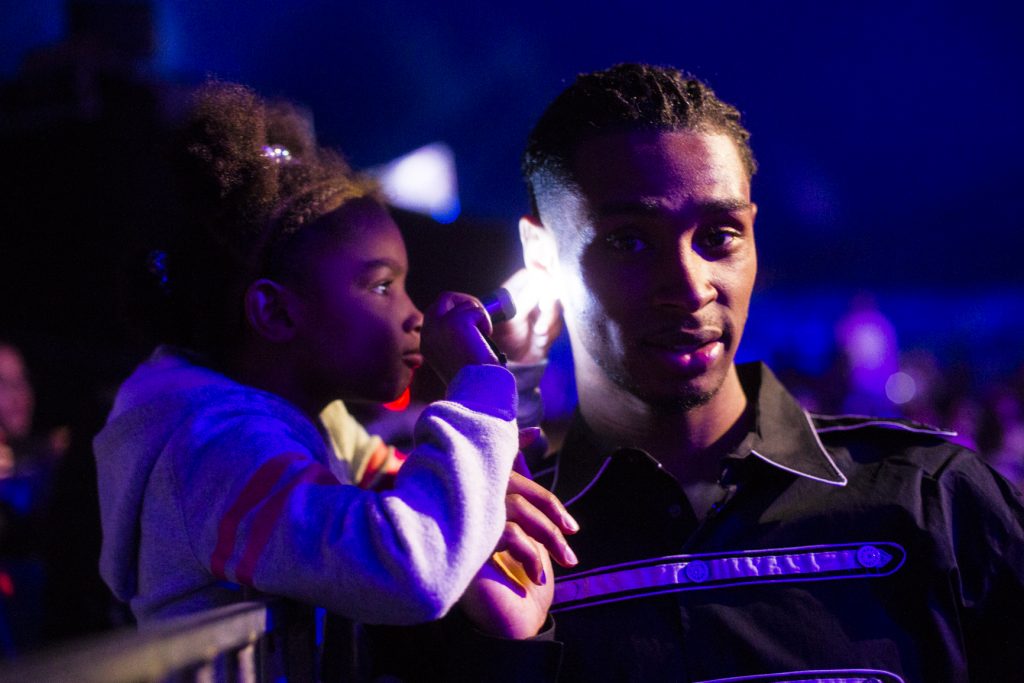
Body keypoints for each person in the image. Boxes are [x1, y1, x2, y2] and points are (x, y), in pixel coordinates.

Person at [376, 63, 1024, 682]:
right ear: (542, 254)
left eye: (718, 236)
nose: (689, 286)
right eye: (630, 240)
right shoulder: (460, 548)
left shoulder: (934, 503)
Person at [92, 82, 576, 639]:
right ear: (275, 313)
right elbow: (416, 567)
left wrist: (516, 365)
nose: (414, 314)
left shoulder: (320, 424)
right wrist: (477, 381)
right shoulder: (218, 450)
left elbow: (454, 498)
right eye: (381, 286)